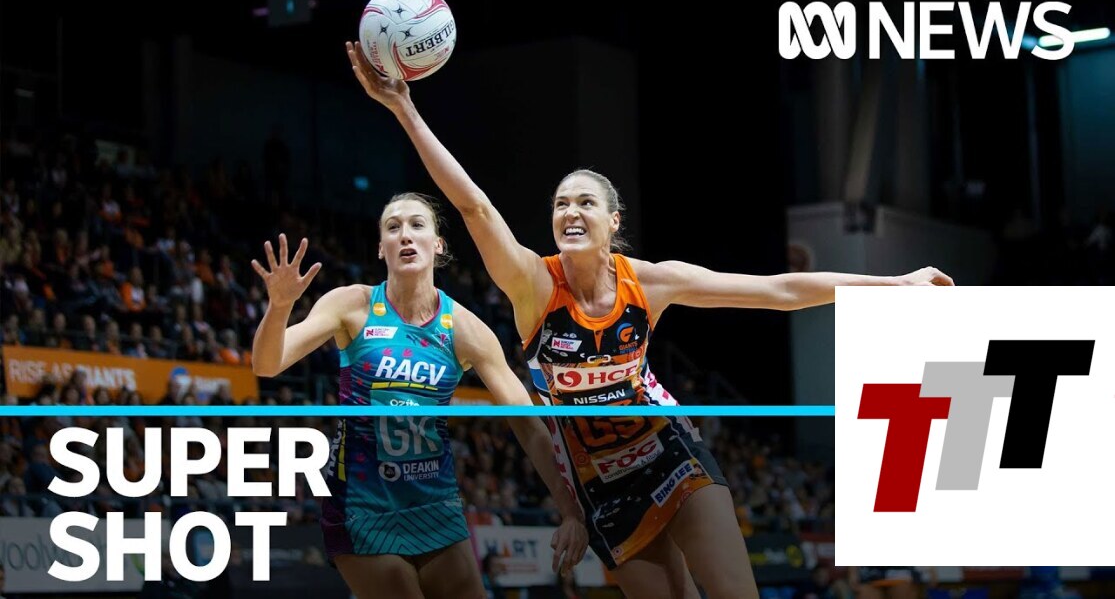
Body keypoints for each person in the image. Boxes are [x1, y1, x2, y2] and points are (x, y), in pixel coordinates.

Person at [345, 40, 955, 599]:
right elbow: (474, 207)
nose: (571, 212)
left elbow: (778, 289)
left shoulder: (651, 282)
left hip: (667, 450)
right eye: (561, 203)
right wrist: (405, 109)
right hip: (599, 483)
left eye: (586, 202)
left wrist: (894, 285)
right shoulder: (534, 285)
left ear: (613, 221)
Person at [250, 194, 588, 599]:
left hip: (435, 505)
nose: (405, 235)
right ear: (381, 248)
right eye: (393, 228)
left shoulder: (465, 328)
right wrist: (280, 307)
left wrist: (570, 511)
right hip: (361, 505)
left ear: (438, 244)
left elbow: (528, 425)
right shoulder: (352, 305)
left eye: (416, 225)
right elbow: (267, 364)